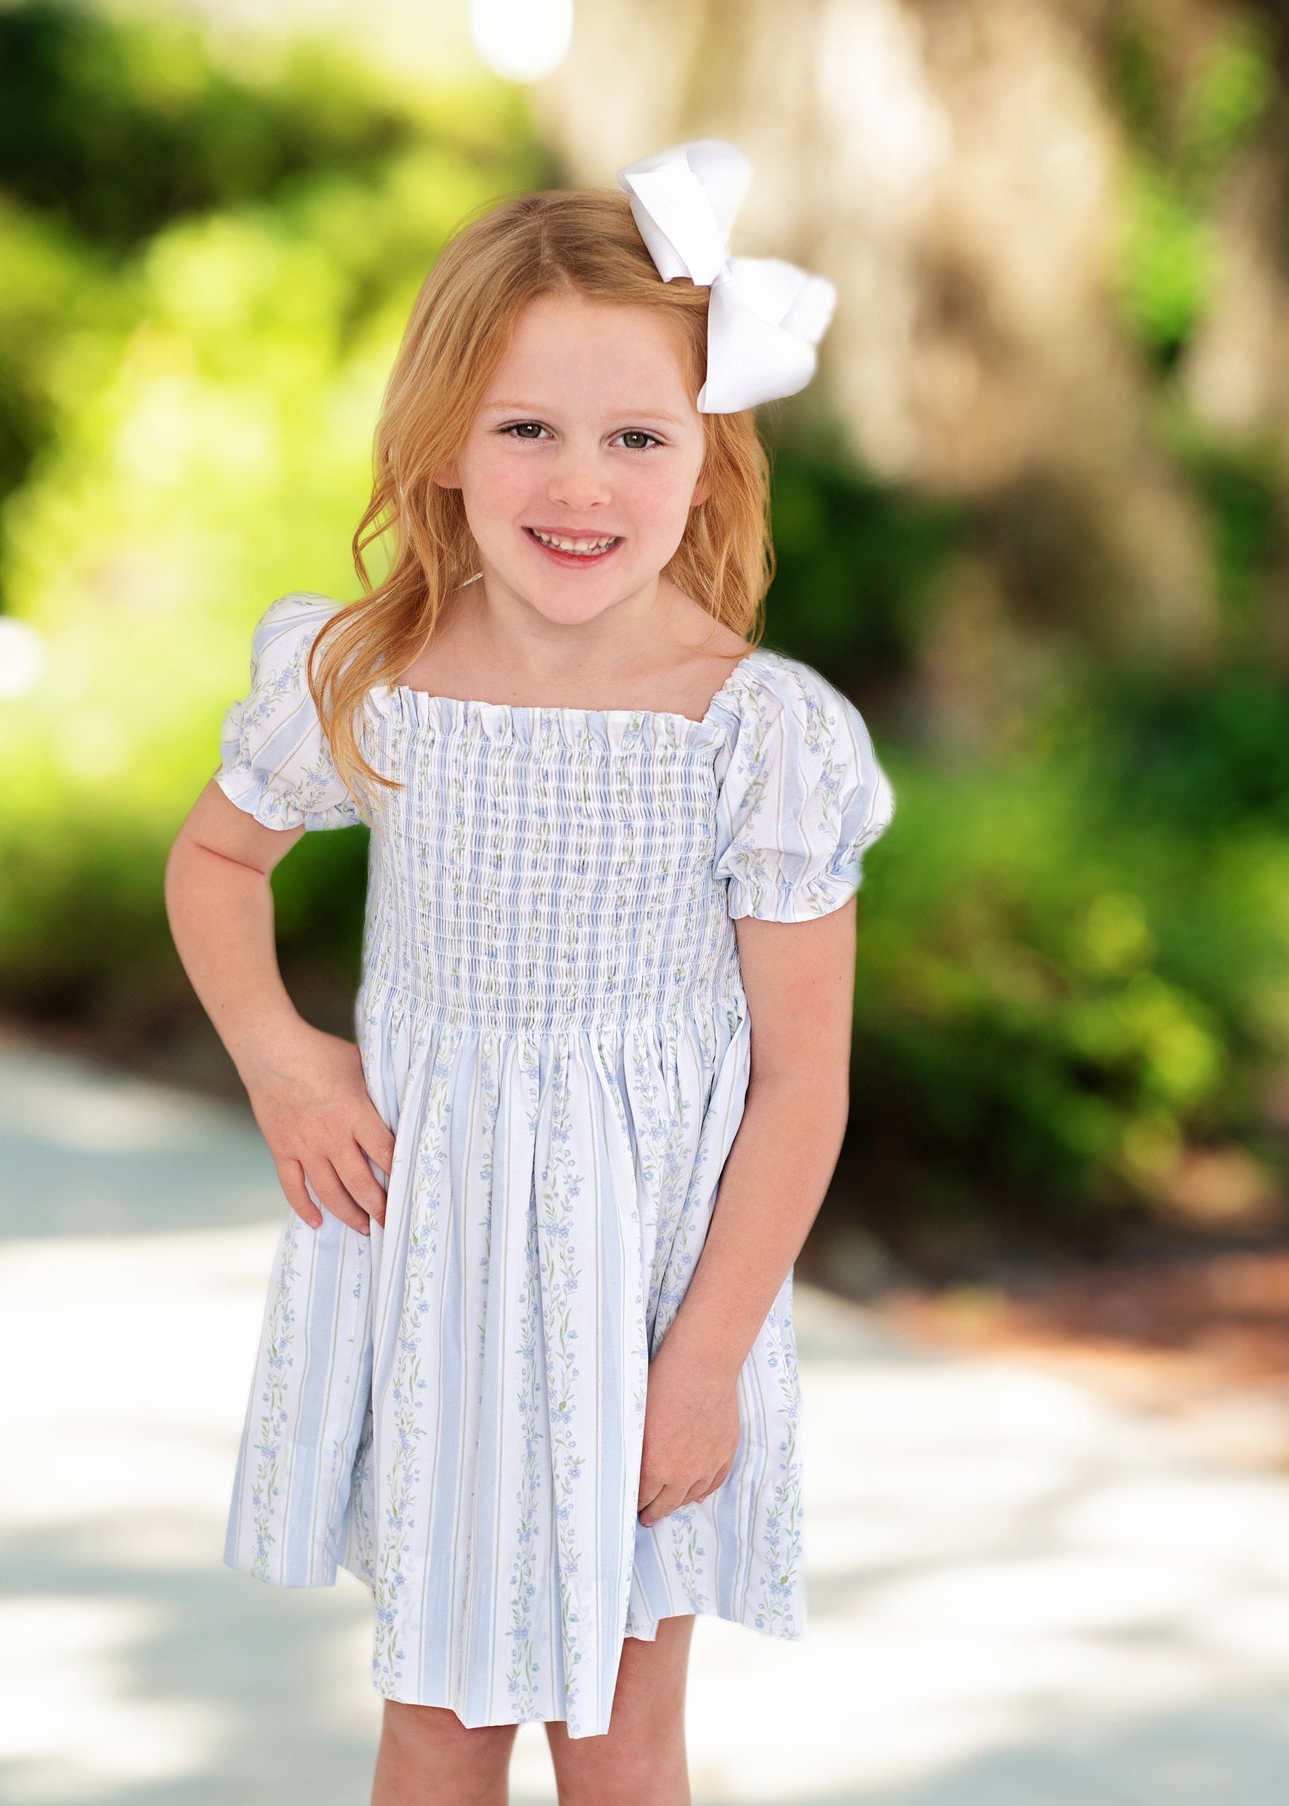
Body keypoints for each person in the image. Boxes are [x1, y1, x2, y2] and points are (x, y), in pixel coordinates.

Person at [164, 138, 896, 1806]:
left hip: (649, 1288)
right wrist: (287, 1057)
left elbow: (800, 1076)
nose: (583, 483)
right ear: (443, 446)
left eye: (637, 436)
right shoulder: (371, 674)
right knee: (434, 1718)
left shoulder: (754, 732)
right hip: (431, 1261)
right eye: (527, 430)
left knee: (621, 1733)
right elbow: (212, 864)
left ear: (708, 459)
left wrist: (701, 1361)